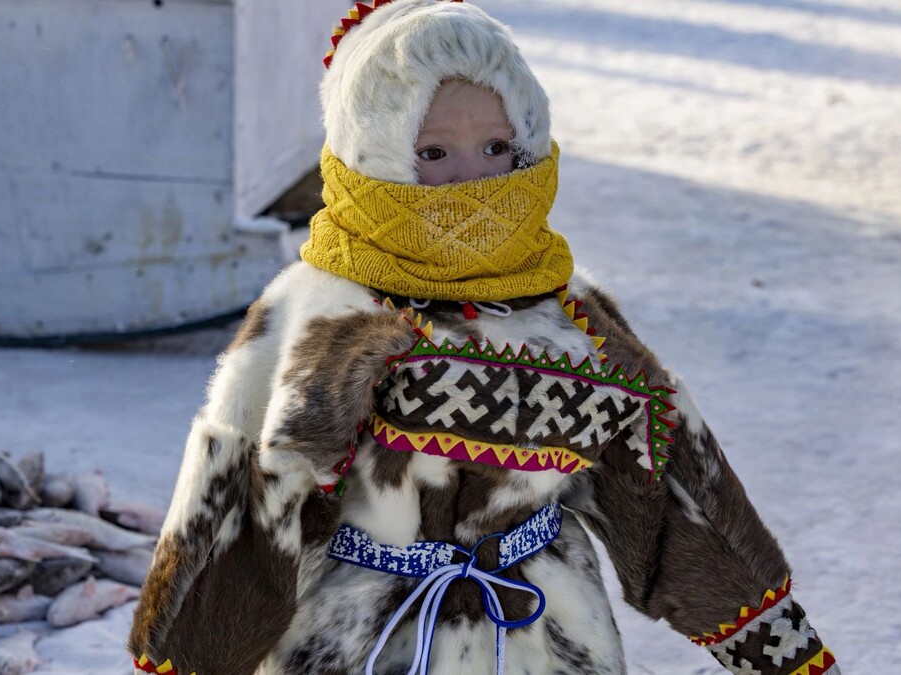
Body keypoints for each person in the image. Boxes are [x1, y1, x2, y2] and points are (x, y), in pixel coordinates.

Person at [127, 1, 838, 673]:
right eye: (433, 153)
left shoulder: (571, 313)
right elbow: (236, 513)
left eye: (496, 146)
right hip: (360, 638)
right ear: (374, 159)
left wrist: (778, 648)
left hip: (543, 631)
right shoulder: (319, 313)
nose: (470, 180)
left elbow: (672, 488)